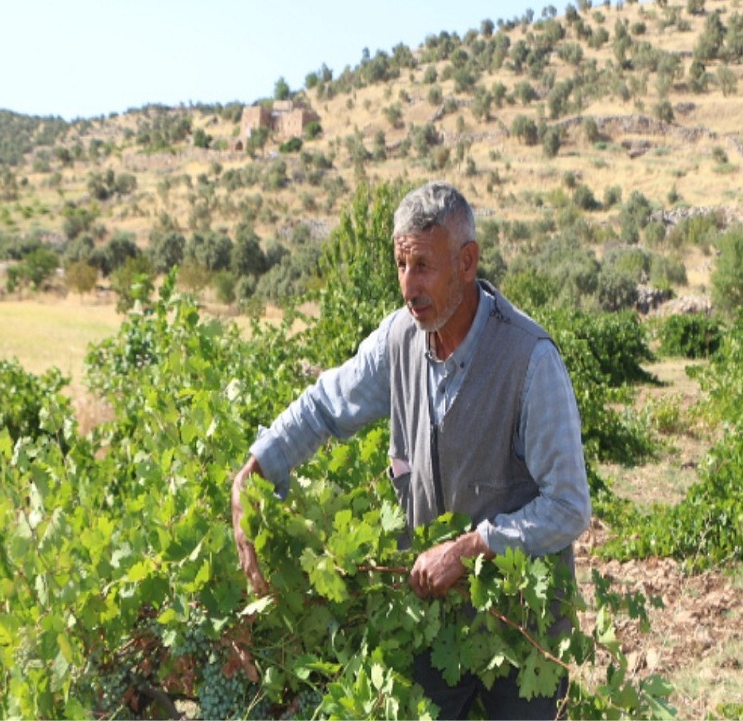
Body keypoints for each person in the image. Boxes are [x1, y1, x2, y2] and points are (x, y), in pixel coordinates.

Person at [232, 180, 591, 719]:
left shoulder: (529, 362)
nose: (408, 285)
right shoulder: (399, 340)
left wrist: (470, 548)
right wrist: (256, 468)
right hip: (432, 626)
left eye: (423, 266)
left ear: (467, 263)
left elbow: (568, 505)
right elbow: (325, 405)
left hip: (523, 631)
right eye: (401, 266)